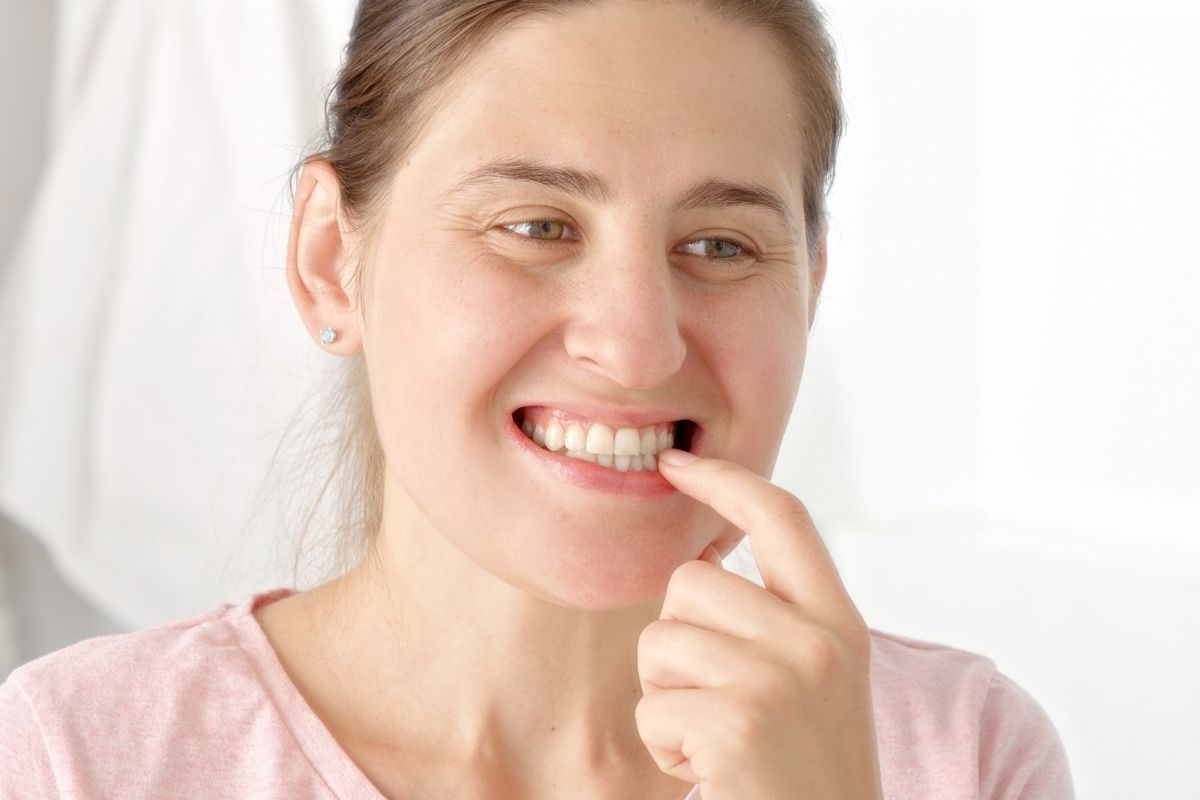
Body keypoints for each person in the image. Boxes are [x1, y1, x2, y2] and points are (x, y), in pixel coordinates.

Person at [0, 0, 1075, 797]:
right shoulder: (72, 754)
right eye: (538, 225)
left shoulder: (960, 752)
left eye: (720, 244)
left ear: (810, 287)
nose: (638, 345)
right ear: (333, 260)